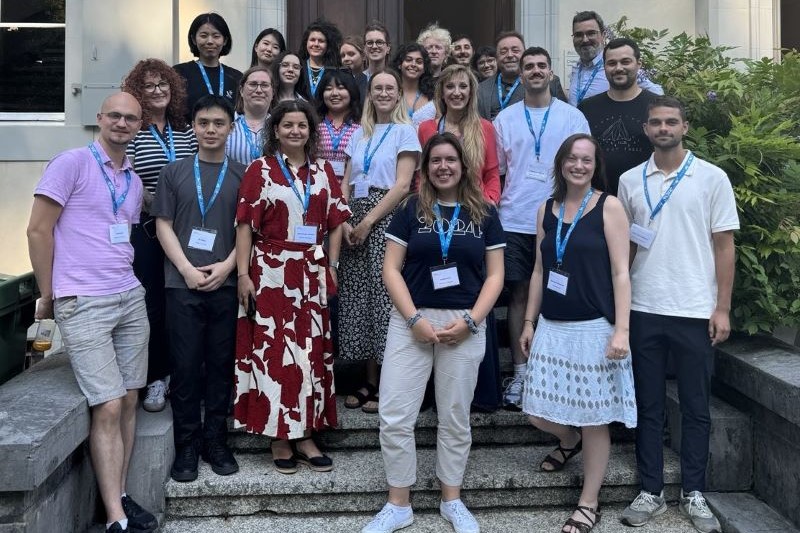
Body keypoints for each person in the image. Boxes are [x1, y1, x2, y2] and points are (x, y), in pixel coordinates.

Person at [27, 92, 158, 533]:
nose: (122, 123)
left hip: (128, 296)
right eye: (115, 116)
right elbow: (38, 229)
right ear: (100, 118)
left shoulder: (132, 180)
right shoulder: (71, 163)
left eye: (131, 118)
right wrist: (49, 292)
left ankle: (117, 496)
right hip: (82, 301)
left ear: (140, 126)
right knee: (106, 405)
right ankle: (117, 520)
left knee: (129, 400)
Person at [361, 133, 504, 533]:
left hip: (466, 322)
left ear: (464, 166)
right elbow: (391, 269)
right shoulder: (410, 210)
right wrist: (413, 320)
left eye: (451, 160)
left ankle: (452, 500)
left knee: (456, 416)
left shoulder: (485, 213)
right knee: (394, 416)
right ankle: (398, 504)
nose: (444, 167)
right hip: (412, 321)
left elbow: (496, 276)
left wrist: (472, 322)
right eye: (436, 160)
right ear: (425, 168)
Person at [618, 96, 738, 533]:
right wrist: (619, 306)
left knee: (695, 406)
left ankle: (695, 492)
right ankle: (650, 490)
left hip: (693, 308)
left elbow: (724, 246)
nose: (663, 128)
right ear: (646, 129)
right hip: (643, 307)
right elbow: (626, 247)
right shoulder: (630, 180)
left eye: (671, 121)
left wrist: (722, 307)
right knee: (648, 405)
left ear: (685, 127)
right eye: (656, 122)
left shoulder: (712, 178)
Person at [519, 133, 635, 533]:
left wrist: (622, 329)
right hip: (552, 326)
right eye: (572, 158)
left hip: (593, 327)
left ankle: (589, 502)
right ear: (561, 163)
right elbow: (539, 270)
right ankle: (568, 440)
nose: (579, 166)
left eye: (586, 159)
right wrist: (529, 322)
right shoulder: (546, 210)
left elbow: (622, 272)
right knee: (535, 413)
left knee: (594, 419)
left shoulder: (610, 207)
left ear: (594, 164)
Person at [233, 99, 351, 475]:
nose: (295, 131)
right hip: (269, 272)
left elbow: (334, 221)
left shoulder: (323, 172)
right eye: (288, 126)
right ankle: (280, 436)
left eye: (302, 126)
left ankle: (306, 434)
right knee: (275, 352)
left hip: (312, 273)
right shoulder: (259, 170)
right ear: (276, 130)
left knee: (310, 353)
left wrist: (331, 265)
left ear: (310, 131)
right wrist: (242, 275)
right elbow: (244, 227)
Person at [152, 95, 244, 482]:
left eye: (218, 123)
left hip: (226, 283)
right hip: (182, 284)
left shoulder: (246, 174)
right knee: (186, 368)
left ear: (230, 127)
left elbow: (251, 231)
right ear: (193, 126)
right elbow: (163, 225)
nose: (210, 130)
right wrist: (187, 269)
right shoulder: (173, 173)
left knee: (222, 366)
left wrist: (227, 268)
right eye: (203, 122)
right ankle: (186, 443)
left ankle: (215, 439)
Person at [494, 47, 590, 410]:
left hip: (562, 217)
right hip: (515, 219)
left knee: (560, 294)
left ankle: (558, 372)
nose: (535, 71)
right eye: (528, 67)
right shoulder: (505, 118)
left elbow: (585, 167)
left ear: (551, 73)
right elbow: (499, 173)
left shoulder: (572, 117)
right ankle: (521, 375)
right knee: (519, 295)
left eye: (541, 66)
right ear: (520, 75)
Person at [418, 64, 502, 411]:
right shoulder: (425, 128)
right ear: (442, 92)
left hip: (474, 220)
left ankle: (479, 392)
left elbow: (493, 175)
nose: (456, 92)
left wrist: (488, 207)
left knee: (475, 290)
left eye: (463, 87)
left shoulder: (484, 128)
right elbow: (420, 177)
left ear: (471, 92)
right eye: (449, 86)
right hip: (433, 217)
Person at [337, 69, 421, 414]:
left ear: (398, 95)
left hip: (385, 216)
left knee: (386, 300)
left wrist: (369, 221)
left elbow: (403, 185)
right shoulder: (358, 134)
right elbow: (344, 182)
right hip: (354, 218)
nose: (384, 93)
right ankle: (369, 379)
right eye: (378, 89)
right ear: (369, 95)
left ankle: (390, 381)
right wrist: (344, 219)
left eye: (390, 88)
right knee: (361, 301)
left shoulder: (406, 132)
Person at [122, 59, 198, 413]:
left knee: (183, 303)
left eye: (163, 84)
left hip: (189, 229)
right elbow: (133, 180)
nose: (158, 91)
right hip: (149, 229)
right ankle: (156, 376)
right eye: (150, 86)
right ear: (139, 91)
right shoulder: (135, 133)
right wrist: (162, 210)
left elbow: (199, 175)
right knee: (152, 304)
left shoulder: (184, 131)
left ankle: (184, 375)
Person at [578, 38, 657, 195]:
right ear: (604, 67)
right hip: (596, 202)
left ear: (638, 64)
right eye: (612, 63)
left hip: (646, 200)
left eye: (625, 62)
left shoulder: (656, 106)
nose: (618, 68)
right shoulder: (586, 109)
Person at [568, 10, 662, 106]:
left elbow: (656, 93)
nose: (585, 39)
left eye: (591, 33)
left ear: (603, 35)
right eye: (578, 35)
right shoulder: (576, 68)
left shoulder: (615, 66)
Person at [173, 13, 242, 119]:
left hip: (229, 135)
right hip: (189, 135)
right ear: (193, 39)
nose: (210, 41)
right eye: (203, 36)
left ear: (225, 40)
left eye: (216, 36)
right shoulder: (179, 73)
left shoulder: (237, 77)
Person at [316, 68, 361, 182]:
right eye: (328, 89)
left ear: (351, 92)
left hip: (351, 192)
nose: (334, 93)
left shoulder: (362, 126)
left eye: (341, 88)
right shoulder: (314, 125)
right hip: (318, 189)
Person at [226, 66, 274, 165]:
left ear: (273, 92)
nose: (259, 90)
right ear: (241, 90)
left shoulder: (279, 126)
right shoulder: (226, 124)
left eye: (265, 85)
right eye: (253, 84)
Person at [477, 31, 524, 121]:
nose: (510, 55)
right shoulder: (481, 89)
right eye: (503, 52)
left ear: (524, 54)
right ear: (497, 58)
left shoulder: (544, 85)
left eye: (515, 51)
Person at [391, 43, 436, 128]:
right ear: (399, 65)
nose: (413, 64)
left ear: (424, 69)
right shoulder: (390, 92)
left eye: (419, 62)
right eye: (408, 60)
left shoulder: (433, 94)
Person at [298, 19, 343, 101]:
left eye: (321, 41)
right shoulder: (298, 67)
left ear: (328, 45)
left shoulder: (335, 70)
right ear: (306, 43)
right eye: (312, 40)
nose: (316, 44)